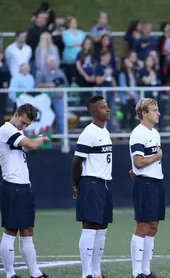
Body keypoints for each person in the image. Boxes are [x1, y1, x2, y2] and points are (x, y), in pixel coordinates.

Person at [0, 103, 50, 278]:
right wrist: (42, 138)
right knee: (11, 231)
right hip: (12, 186)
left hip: (23, 186)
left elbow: (27, 147)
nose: (24, 126)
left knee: (27, 230)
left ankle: (35, 273)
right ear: (17, 113)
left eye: (27, 125)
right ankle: (10, 274)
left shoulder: (17, 132)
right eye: (24, 122)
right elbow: (32, 145)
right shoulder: (6, 129)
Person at [72, 95, 112, 278]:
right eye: (103, 107)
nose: (108, 109)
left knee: (102, 227)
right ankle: (86, 273)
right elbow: (76, 162)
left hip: (104, 183)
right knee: (89, 226)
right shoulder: (89, 132)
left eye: (107, 106)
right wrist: (77, 185)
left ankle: (97, 273)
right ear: (94, 112)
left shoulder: (105, 131)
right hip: (91, 182)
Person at [129, 98, 164, 278]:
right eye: (154, 110)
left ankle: (146, 271)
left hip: (156, 182)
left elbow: (139, 163)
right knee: (142, 226)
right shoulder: (138, 133)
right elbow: (139, 161)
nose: (158, 113)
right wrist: (157, 157)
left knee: (153, 226)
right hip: (146, 184)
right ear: (143, 113)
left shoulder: (155, 133)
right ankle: (137, 273)